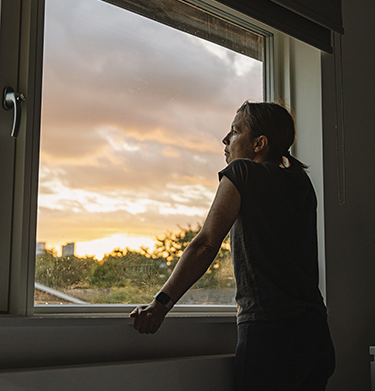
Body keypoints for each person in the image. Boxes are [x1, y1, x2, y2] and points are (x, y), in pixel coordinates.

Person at [130, 101, 335, 390]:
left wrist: (160, 304)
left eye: (235, 131)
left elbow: (206, 243)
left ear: (259, 143)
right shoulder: (301, 183)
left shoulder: (243, 172)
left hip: (271, 335)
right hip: (316, 336)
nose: (226, 140)